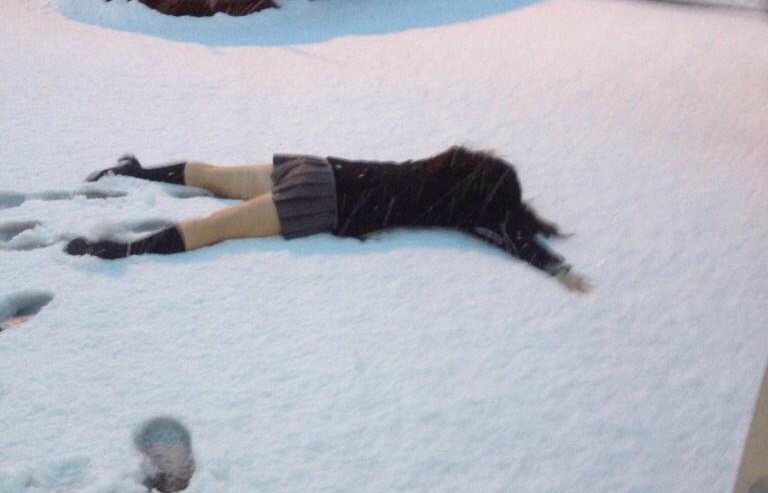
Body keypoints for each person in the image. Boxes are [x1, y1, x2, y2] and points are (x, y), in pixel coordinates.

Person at [65, 147, 590, 292]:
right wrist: (555, 268)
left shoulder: (443, 166)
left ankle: (136, 171)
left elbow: (503, 225)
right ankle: (121, 249)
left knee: (217, 176)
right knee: (217, 228)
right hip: (322, 202)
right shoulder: (457, 210)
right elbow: (507, 236)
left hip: (321, 167)